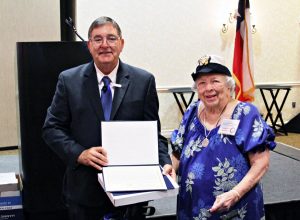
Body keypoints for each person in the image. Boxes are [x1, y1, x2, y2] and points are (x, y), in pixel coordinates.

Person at [42, 16, 175, 220]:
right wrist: (80, 153)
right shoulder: (68, 80)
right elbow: (51, 129)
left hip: (132, 193)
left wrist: (165, 163)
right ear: (89, 45)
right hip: (84, 189)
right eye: (98, 39)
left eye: (111, 38)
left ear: (121, 44)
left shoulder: (144, 81)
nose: (105, 45)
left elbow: (153, 134)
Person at [170, 55, 276, 220]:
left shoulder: (245, 113)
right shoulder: (192, 111)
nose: (208, 88)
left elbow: (261, 162)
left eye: (215, 81)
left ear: (229, 86)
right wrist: (171, 167)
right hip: (191, 206)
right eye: (202, 83)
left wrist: (235, 193)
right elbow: (178, 148)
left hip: (234, 209)